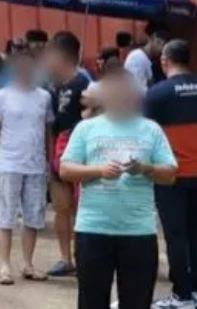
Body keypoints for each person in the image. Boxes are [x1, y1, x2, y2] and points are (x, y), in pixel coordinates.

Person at [60, 68, 177, 309]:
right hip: (93, 229)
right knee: (91, 300)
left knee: (137, 300)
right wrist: (98, 171)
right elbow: (66, 169)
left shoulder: (151, 129)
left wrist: (144, 168)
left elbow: (170, 175)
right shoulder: (86, 128)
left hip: (138, 232)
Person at [0, 51, 53, 285]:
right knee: (5, 217)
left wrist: (48, 161)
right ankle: (4, 266)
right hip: (8, 163)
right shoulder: (1, 97)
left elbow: (47, 132)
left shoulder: (44, 97)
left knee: (33, 217)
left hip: (35, 165)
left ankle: (28, 264)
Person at [146, 40, 197, 308]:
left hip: (172, 176)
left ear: (165, 61)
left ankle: (183, 295)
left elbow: (144, 136)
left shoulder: (156, 94)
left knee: (176, 235)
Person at [45, 30, 90, 277]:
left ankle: (84, 256)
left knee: (82, 207)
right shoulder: (54, 87)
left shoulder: (84, 83)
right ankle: (66, 258)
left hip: (79, 153)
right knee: (60, 207)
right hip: (59, 153)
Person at [125, 23, 171, 94]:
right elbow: (139, 93)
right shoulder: (137, 58)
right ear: (152, 38)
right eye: (160, 43)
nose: (162, 48)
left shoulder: (150, 59)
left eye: (165, 44)